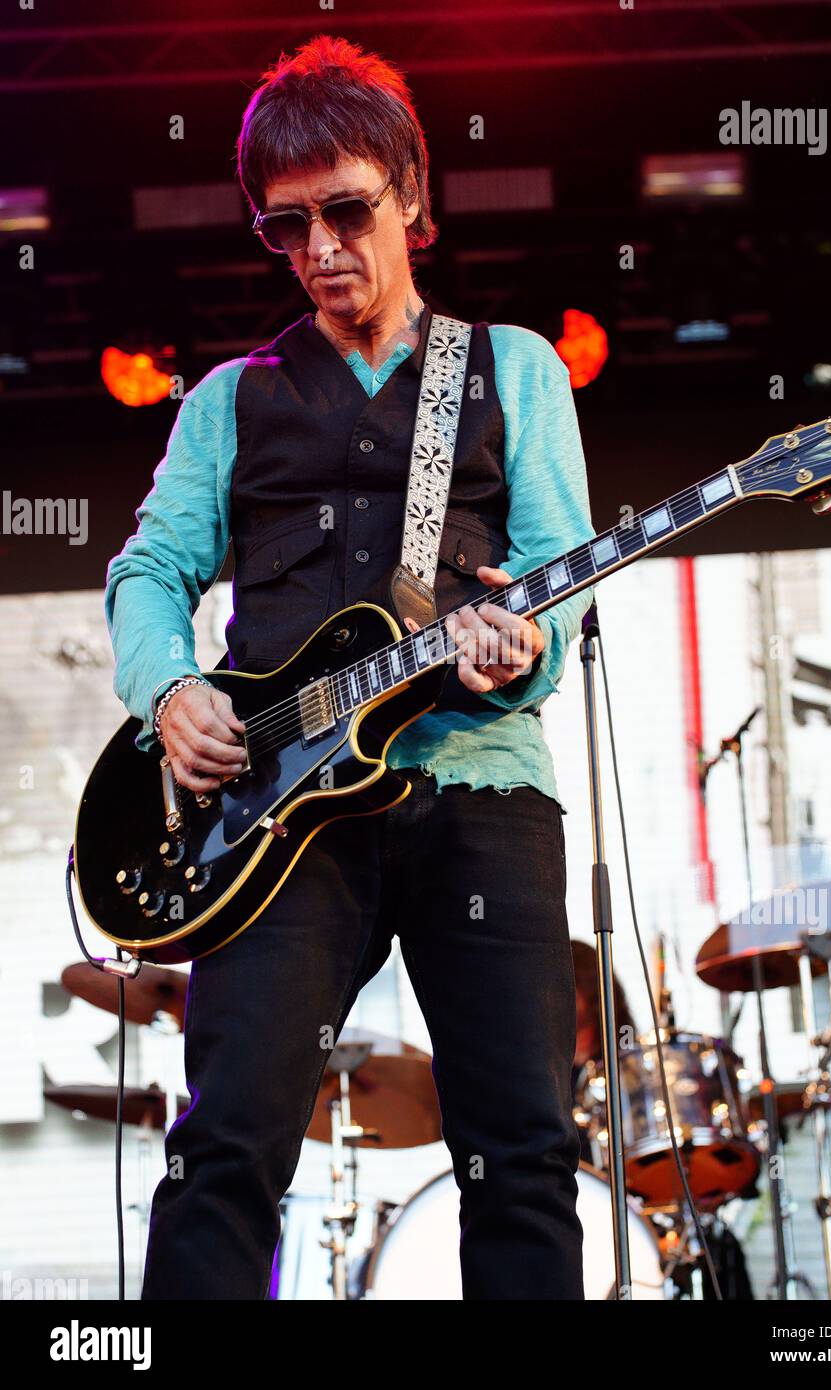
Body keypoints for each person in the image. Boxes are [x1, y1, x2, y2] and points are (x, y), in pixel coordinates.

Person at [104, 35, 596, 1300]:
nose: (320, 248)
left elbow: (555, 582)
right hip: (276, 818)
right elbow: (147, 573)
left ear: (414, 199)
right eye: (287, 228)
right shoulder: (227, 398)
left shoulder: (513, 369)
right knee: (223, 1152)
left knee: (525, 1155)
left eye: (346, 211)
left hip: (478, 785)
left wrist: (519, 648)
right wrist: (171, 692)